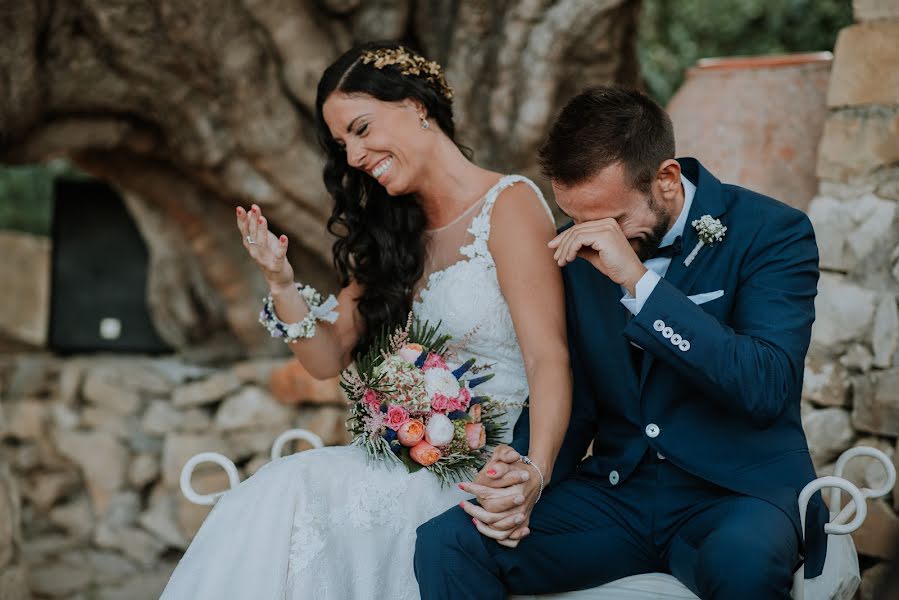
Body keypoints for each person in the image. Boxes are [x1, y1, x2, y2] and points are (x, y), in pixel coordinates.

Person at [160, 42, 571, 599]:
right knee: (282, 491)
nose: (353, 157)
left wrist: (534, 475)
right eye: (341, 143)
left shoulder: (510, 204)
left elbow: (548, 356)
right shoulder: (395, 236)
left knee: (292, 488)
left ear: (415, 105)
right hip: (409, 460)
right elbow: (325, 357)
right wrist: (281, 283)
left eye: (360, 128)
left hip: (488, 468)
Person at [414, 84, 829, 600]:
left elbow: (767, 385)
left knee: (742, 567)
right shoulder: (578, 251)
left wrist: (640, 283)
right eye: (578, 216)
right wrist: (528, 476)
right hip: (618, 494)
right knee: (448, 542)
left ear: (667, 179)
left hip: (737, 495)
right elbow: (579, 400)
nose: (590, 235)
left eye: (610, 219)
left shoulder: (774, 232)